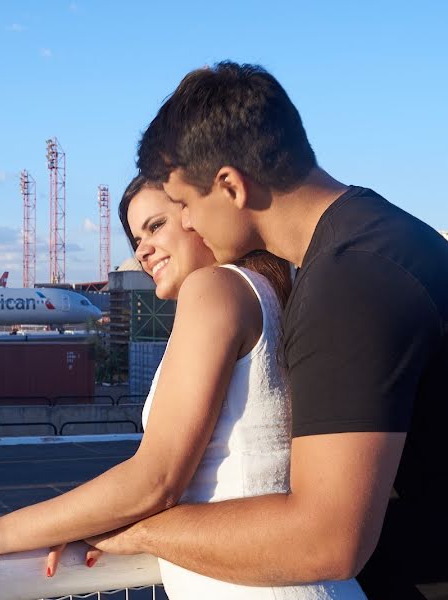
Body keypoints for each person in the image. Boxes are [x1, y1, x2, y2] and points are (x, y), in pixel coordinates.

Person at [0, 174, 366, 598]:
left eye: (157, 225)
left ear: (197, 214)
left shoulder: (215, 288)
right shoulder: (271, 291)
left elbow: (155, 479)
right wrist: (98, 521)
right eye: (137, 237)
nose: (143, 250)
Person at [84, 62, 447, 600]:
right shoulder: (382, 237)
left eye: (183, 204)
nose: (186, 224)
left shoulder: (349, 281)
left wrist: (141, 530)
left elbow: (327, 540)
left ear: (229, 185)